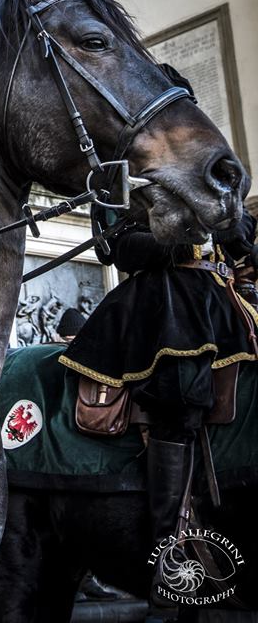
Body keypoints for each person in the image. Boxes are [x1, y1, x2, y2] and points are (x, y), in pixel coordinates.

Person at [59, 196, 257, 602]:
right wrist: (188, 238)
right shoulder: (119, 182)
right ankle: (170, 550)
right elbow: (119, 247)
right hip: (165, 307)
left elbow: (242, 235)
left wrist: (236, 225)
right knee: (180, 395)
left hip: (222, 302)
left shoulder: (208, 173)